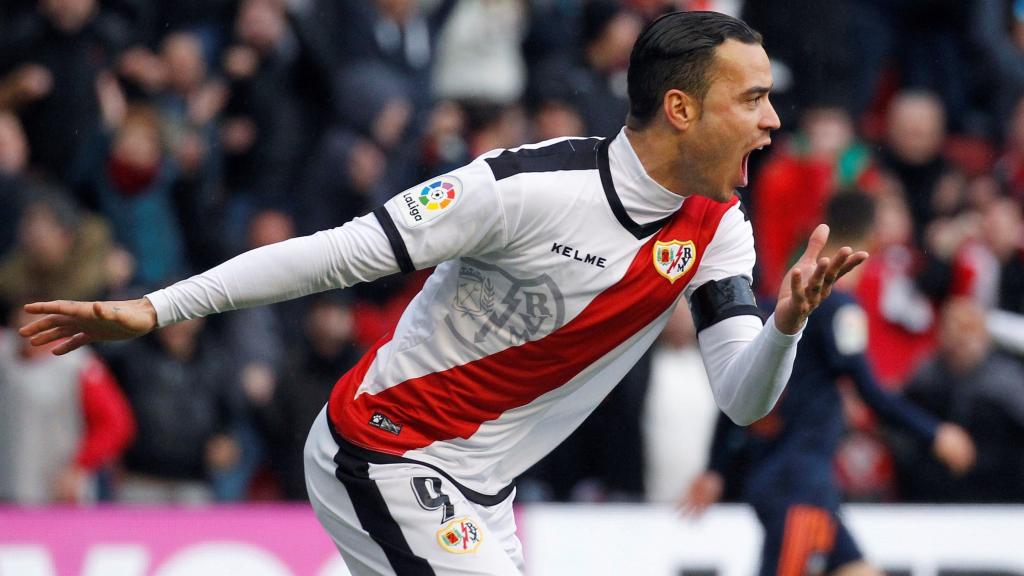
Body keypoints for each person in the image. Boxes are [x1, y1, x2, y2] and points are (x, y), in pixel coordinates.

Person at [20, 12, 866, 576]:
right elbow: (335, 256)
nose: (772, 121)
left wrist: (786, 322)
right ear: (681, 108)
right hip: (380, 452)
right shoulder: (523, 188)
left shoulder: (718, 226)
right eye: (752, 98)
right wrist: (159, 307)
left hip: (480, 489)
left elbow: (743, 400)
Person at [682, 192, 976, 576]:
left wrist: (716, 467)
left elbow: (738, 391)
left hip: (782, 477)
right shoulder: (839, 308)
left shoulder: (774, 307)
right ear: (873, 235)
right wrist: (935, 433)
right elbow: (870, 392)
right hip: (798, 485)